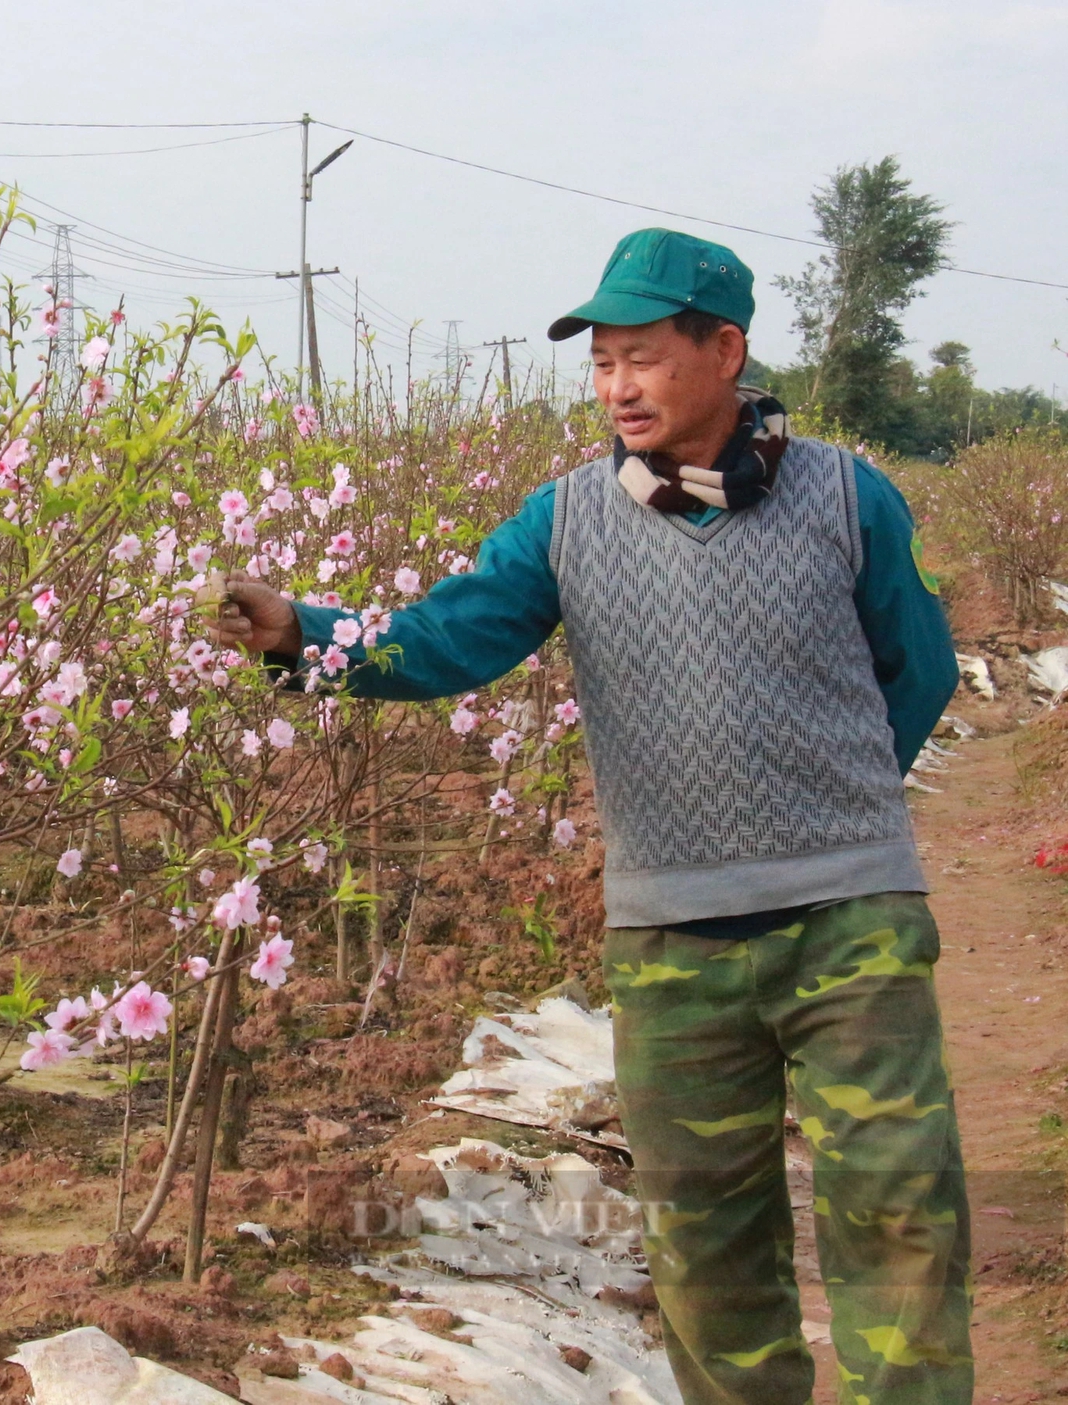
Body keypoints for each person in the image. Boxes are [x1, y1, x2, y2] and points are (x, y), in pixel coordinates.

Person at [212, 228, 970, 1405]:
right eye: (601, 363)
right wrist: (305, 635)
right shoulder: (563, 522)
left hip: (851, 929)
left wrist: (836, 811)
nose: (617, 387)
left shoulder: (846, 497)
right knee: (704, 1247)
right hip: (673, 945)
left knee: (898, 1218)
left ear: (724, 351)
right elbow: (450, 633)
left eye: (643, 358)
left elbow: (914, 674)